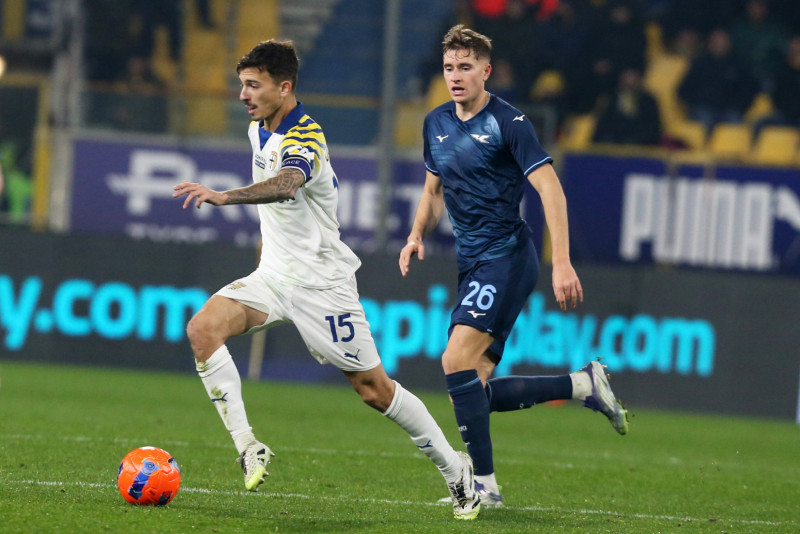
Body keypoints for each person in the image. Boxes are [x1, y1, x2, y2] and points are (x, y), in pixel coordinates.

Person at [172, 39, 480, 520]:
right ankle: (249, 445)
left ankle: (455, 469)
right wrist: (267, 250)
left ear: (284, 87)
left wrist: (225, 196)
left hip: (322, 286)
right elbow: (284, 213)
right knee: (202, 329)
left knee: (374, 390)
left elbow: (287, 184)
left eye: (253, 85)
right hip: (274, 277)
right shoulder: (258, 129)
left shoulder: (306, 137)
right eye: (242, 85)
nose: (243, 95)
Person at [399, 25, 629, 508]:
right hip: (472, 262)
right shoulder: (435, 122)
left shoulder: (510, 123)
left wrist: (560, 262)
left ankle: (483, 487)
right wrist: (416, 233)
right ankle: (582, 385)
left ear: (486, 71)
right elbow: (433, 191)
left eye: (465, 67)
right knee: (470, 389)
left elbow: (551, 190)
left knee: (454, 362)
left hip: (506, 256)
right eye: (449, 67)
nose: (455, 76)